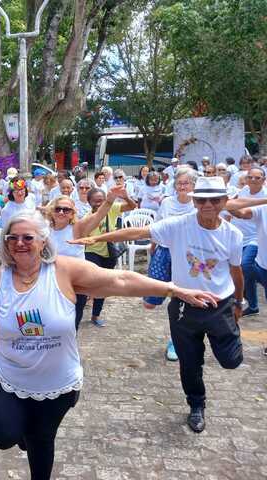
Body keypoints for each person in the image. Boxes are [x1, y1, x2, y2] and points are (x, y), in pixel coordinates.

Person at [0, 211, 217, 479]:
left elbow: (120, 279)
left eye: (28, 237)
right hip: (12, 378)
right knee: (1, 434)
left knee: (42, 440)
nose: (19, 243)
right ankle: (24, 433)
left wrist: (173, 289)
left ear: (43, 241)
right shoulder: (0, 278)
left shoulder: (63, 271)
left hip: (57, 383)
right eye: (12, 238)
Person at [71, 176, 245, 433]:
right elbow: (137, 232)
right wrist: (97, 239)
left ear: (224, 202)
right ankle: (197, 405)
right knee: (190, 362)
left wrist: (239, 302)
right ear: (195, 201)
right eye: (202, 199)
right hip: (185, 302)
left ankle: (227, 341)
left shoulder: (233, 234)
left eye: (214, 199)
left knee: (231, 361)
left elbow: (236, 270)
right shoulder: (179, 225)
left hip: (220, 305)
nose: (208, 204)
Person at [45, 185, 130, 328]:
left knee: (72, 324)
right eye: (57, 208)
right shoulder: (44, 230)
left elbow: (99, 215)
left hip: (75, 284)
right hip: (51, 282)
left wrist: (109, 201)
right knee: (50, 322)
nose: (61, 212)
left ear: (72, 213)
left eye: (66, 209)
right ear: (52, 211)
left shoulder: (77, 228)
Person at [142, 167, 197, 361]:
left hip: (186, 255)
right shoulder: (167, 203)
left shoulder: (198, 204)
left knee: (179, 300)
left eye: (186, 183)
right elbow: (157, 225)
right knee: (150, 302)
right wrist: (153, 245)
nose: (182, 186)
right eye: (179, 183)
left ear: (193, 185)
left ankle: (176, 340)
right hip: (164, 252)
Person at [78, 186, 137, 327]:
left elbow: (132, 206)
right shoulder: (87, 217)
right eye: (95, 201)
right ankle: (79, 311)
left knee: (103, 285)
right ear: (89, 202)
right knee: (88, 284)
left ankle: (95, 315)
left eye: (101, 200)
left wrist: (125, 196)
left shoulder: (112, 208)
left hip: (110, 252)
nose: (99, 203)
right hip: (91, 252)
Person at [229, 167, 266, 317]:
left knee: (245, 266)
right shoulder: (244, 190)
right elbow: (235, 208)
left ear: (263, 180)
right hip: (239, 237)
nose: (253, 180)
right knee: (241, 269)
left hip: (255, 239)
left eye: (257, 178)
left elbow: (244, 213)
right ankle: (252, 304)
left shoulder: (264, 195)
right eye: (250, 177)